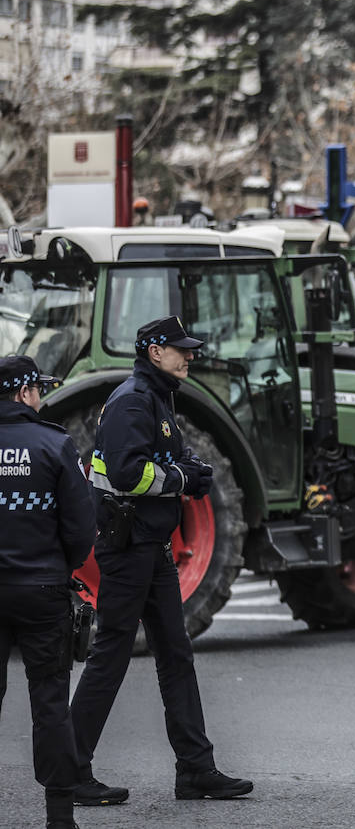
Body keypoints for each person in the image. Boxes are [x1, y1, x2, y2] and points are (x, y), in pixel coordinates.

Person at [68, 316, 253, 806]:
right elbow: (129, 473)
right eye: (179, 349)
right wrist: (179, 477)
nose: (188, 355)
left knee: (176, 655)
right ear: (154, 351)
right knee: (110, 656)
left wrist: (185, 471)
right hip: (129, 550)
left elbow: (186, 462)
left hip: (150, 547)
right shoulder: (133, 401)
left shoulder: (158, 399)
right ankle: (69, 770)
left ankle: (196, 770)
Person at [0, 355, 97, 829]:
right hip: (42, 589)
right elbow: (82, 529)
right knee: (50, 702)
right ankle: (60, 818)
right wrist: (61, 566)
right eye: (37, 389)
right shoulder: (55, 445)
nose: (41, 396)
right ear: (23, 393)